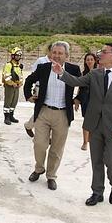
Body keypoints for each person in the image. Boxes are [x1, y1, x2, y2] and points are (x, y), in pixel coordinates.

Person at [55, 43, 112, 206]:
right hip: (95, 125)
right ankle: (97, 192)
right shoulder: (94, 74)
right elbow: (76, 81)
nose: (100, 54)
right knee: (97, 161)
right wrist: (61, 73)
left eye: (104, 52)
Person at [23, 41, 81, 191]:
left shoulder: (74, 69)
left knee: (56, 149)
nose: (56, 55)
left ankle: (51, 176)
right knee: (39, 144)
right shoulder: (43, 68)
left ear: (66, 56)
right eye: (54, 52)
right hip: (43, 111)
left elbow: (83, 85)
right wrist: (28, 95)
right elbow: (29, 80)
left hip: (62, 114)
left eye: (60, 53)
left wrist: (78, 98)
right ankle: (39, 168)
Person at [24, 44, 52, 137]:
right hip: (40, 88)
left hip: (52, 89)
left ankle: (49, 135)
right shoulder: (41, 61)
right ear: (48, 51)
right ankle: (29, 125)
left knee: (49, 110)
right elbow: (33, 75)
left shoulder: (57, 62)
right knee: (40, 110)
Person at [74, 52, 97, 151]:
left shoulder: (99, 72)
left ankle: (91, 140)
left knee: (95, 121)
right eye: (88, 59)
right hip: (85, 99)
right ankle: (85, 142)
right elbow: (80, 87)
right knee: (87, 120)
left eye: (91, 59)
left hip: (96, 100)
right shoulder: (83, 73)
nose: (89, 61)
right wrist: (77, 99)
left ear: (95, 61)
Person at [2, 47, 23, 125]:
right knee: (8, 102)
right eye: (17, 55)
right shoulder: (8, 65)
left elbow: (20, 75)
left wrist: (20, 83)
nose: (18, 57)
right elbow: (6, 76)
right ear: (13, 56)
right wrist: (12, 83)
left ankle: (11, 116)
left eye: (19, 55)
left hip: (16, 86)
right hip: (10, 86)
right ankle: (6, 117)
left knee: (14, 102)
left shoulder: (18, 65)